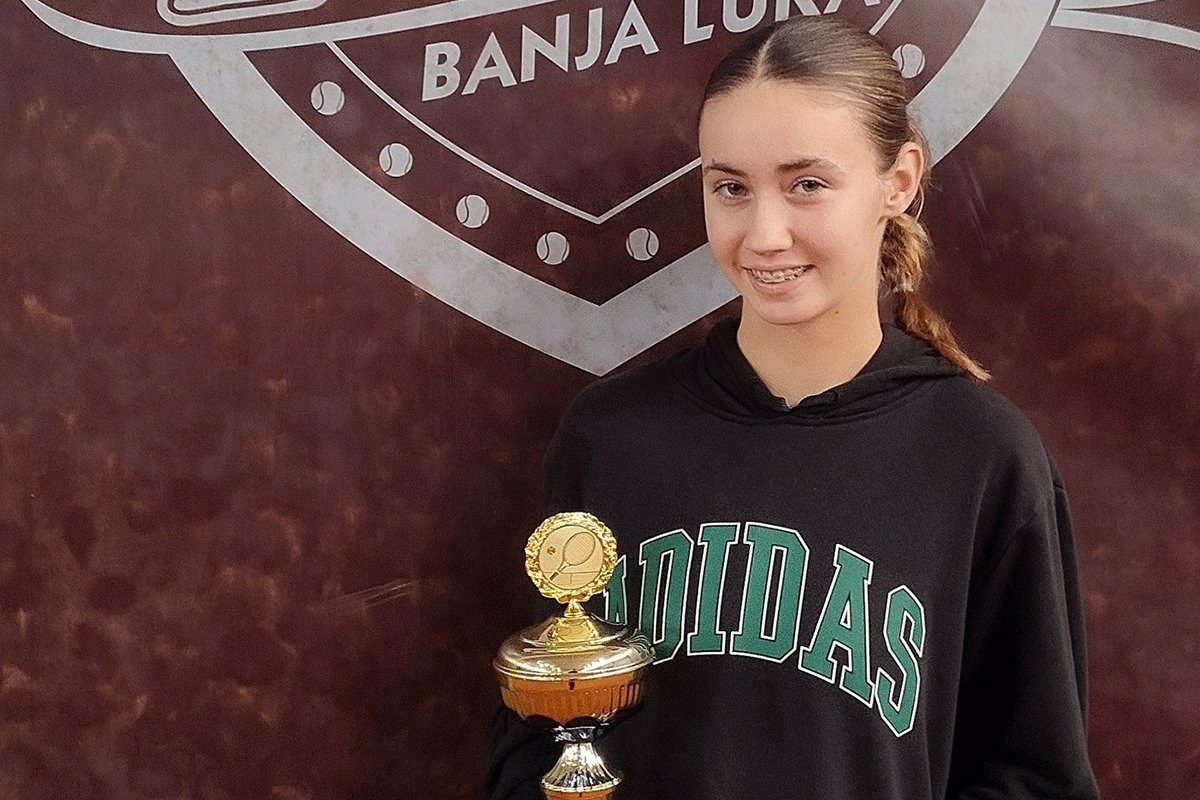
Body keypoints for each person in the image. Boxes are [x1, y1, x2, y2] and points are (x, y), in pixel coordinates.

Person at [483, 15, 1099, 800]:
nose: (765, 235)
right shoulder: (611, 438)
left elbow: (1036, 776)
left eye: (807, 184)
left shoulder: (979, 454)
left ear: (899, 181)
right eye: (731, 188)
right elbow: (535, 740)